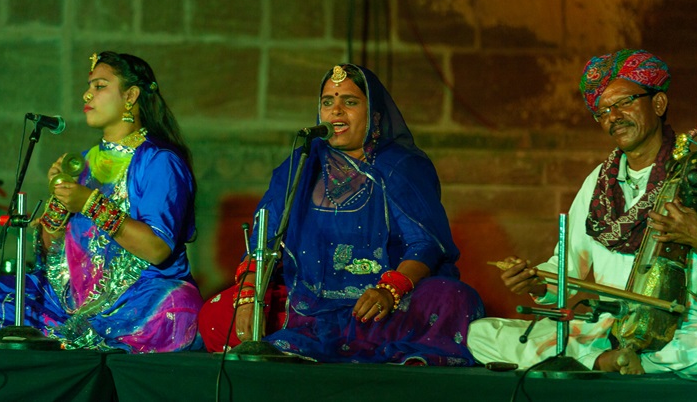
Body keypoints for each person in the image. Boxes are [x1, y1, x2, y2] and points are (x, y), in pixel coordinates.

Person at [467, 49, 697, 375]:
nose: (612, 116)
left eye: (623, 103)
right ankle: (607, 360)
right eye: (602, 111)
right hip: (603, 330)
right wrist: (534, 283)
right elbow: (566, 272)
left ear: (658, 104)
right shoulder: (598, 184)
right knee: (481, 334)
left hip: (678, 331)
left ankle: (607, 363)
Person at [198, 64, 485, 365]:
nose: (336, 112)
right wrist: (248, 298)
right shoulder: (302, 165)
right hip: (309, 300)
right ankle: (305, 341)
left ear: (374, 115)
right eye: (327, 102)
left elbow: (424, 244)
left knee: (453, 298)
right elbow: (264, 240)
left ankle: (310, 346)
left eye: (349, 102)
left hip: (379, 306)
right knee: (216, 314)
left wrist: (388, 291)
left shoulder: (399, 167)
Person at [0, 51, 204, 353]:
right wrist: (59, 202)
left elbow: (158, 249)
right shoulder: (84, 162)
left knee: (174, 313)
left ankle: (68, 345)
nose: (87, 94)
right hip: (70, 302)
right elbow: (50, 255)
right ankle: (72, 346)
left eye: (100, 86)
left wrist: (90, 204)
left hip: (136, 299)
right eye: (89, 86)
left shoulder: (159, 162)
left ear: (131, 96)